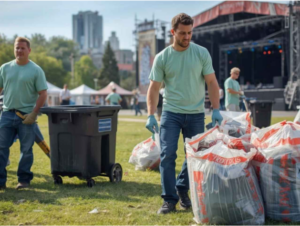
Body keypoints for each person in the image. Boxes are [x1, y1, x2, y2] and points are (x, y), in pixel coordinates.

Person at [145, 13, 223, 215]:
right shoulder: (163, 57)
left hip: (196, 114)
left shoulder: (201, 53)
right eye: (182, 33)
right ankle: (169, 200)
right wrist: (151, 114)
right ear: (173, 32)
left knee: (194, 155)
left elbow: (212, 82)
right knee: (167, 155)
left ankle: (182, 188)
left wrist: (216, 109)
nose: (187, 37)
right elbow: (153, 88)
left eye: (189, 33)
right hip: (171, 113)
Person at [0, 37, 48, 190]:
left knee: (26, 150)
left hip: (26, 116)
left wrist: (34, 114)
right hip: (7, 114)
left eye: (22, 48)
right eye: (17, 48)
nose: (19, 50)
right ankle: (1, 182)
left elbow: (43, 94)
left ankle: (24, 180)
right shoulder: (5, 68)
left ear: (29, 50)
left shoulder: (36, 70)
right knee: (1, 148)